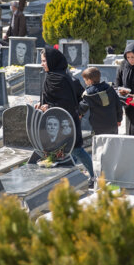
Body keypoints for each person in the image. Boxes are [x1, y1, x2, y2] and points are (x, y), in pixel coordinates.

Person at [39, 48, 93, 178]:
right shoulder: (54, 75)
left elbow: (66, 104)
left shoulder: (60, 79)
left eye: (44, 61)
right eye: (41, 61)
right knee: (66, 151)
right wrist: (41, 105)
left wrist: (48, 107)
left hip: (65, 122)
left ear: (52, 61)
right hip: (55, 121)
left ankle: (95, 176)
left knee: (75, 150)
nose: (42, 64)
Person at [78, 67, 122, 136]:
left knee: (99, 145)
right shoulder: (110, 88)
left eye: (85, 80)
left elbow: (82, 108)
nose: (85, 82)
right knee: (112, 143)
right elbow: (118, 105)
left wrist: (79, 114)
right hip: (112, 124)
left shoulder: (88, 94)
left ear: (89, 81)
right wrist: (119, 119)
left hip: (97, 127)